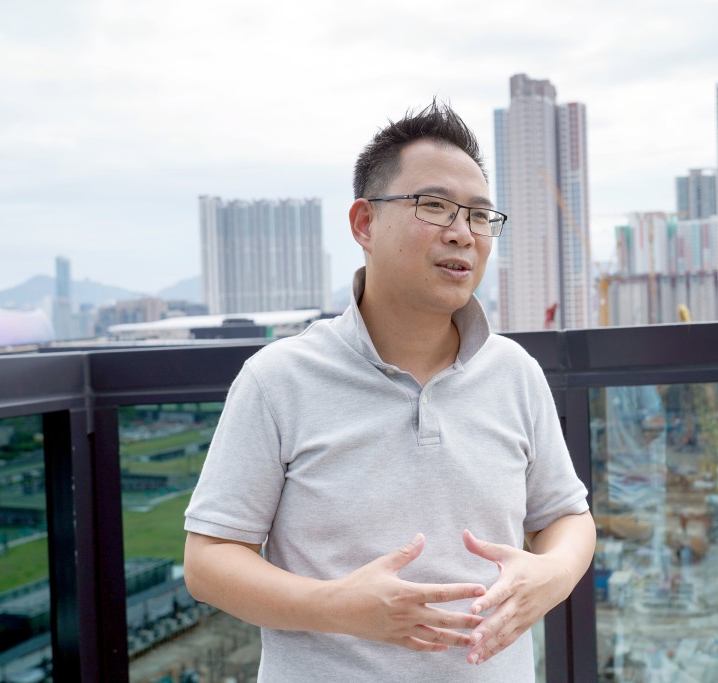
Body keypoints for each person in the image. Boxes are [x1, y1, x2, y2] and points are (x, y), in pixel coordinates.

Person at [183, 101, 595, 681]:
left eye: (480, 216)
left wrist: (554, 574)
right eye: (435, 206)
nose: (463, 233)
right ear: (364, 224)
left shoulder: (514, 372)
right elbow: (208, 562)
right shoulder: (278, 378)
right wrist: (337, 607)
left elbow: (567, 517)